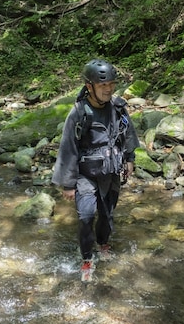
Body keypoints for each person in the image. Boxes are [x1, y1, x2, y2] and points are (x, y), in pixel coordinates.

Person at [52, 59, 140, 282]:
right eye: (103, 85)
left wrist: (130, 158)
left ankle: (103, 243)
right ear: (89, 86)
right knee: (86, 216)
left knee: (107, 215)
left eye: (111, 84)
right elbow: (68, 148)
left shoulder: (118, 108)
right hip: (85, 174)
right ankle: (87, 258)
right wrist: (69, 184)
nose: (108, 89)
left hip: (111, 171)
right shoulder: (79, 113)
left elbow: (128, 135)